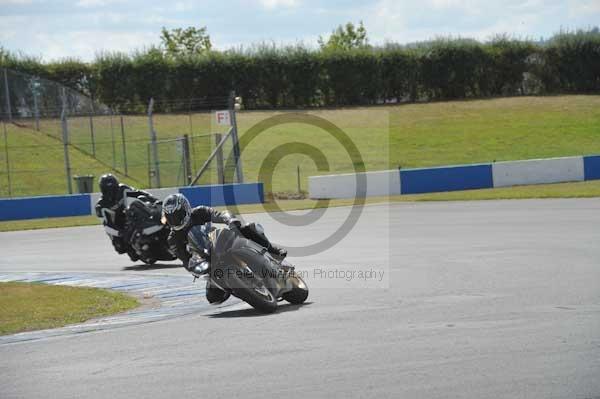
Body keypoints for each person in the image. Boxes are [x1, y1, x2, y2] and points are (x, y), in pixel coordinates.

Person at [162, 193, 286, 303]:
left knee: (248, 228)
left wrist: (230, 220)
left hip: (220, 242)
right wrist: (194, 267)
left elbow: (219, 215)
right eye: (171, 217)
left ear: (186, 209)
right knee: (213, 298)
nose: (175, 220)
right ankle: (242, 289)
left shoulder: (199, 212)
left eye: (178, 216)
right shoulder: (173, 239)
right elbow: (185, 260)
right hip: (207, 259)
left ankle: (272, 250)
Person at [95, 173, 157, 259]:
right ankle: (133, 247)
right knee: (121, 248)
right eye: (109, 189)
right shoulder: (101, 205)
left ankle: (154, 222)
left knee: (137, 203)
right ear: (103, 189)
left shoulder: (122, 188)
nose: (112, 192)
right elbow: (107, 224)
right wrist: (118, 233)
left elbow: (138, 193)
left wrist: (153, 199)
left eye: (113, 188)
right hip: (117, 223)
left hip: (129, 213)